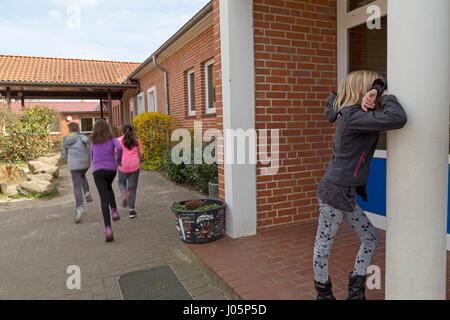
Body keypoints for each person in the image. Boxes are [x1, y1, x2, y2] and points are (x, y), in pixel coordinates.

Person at [313, 70, 407, 300]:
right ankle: (324, 296)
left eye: (375, 89)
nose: (375, 93)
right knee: (323, 247)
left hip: (345, 193)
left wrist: (376, 88)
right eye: (370, 88)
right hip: (334, 192)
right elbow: (398, 118)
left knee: (371, 238)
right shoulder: (353, 116)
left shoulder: (358, 114)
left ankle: (356, 292)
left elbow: (385, 75)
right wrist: (385, 97)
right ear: (360, 90)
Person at [90, 119, 123, 242]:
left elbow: (92, 155)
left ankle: (108, 229)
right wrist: (118, 160)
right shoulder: (112, 139)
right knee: (109, 187)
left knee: (104, 198)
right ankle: (114, 211)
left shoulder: (93, 141)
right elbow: (120, 148)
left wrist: (95, 163)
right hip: (111, 170)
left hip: (98, 171)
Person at [62, 122, 92, 223]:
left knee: (76, 186)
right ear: (78, 128)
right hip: (85, 163)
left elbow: (65, 155)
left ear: (69, 129)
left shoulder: (65, 139)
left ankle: (79, 208)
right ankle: (87, 191)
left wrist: (70, 157)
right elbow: (89, 142)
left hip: (74, 165)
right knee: (82, 175)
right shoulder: (81, 136)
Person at [117, 124, 143, 219]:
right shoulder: (136, 140)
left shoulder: (118, 140)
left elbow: (115, 152)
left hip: (123, 165)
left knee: (120, 182)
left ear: (122, 132)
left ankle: (124, 192)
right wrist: (139, 161)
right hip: (135, 165)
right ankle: (131, 211)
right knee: (132, 188)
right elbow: (142, 153)